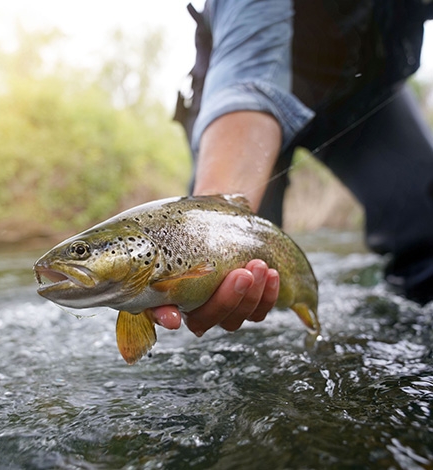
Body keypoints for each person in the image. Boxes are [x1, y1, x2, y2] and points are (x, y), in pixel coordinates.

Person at [153, 0, 433, 335]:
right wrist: (207, 232)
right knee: (223, 285)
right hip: (244, 96)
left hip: (362, 96)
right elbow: (247, 80)